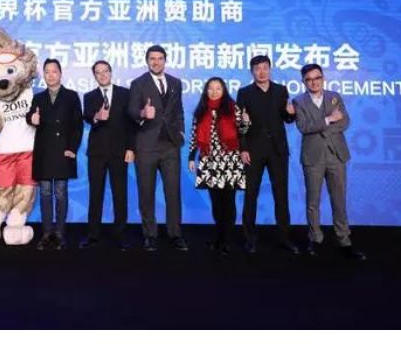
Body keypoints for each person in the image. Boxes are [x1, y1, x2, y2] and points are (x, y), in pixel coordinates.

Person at [292, 64, 366, 260]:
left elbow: (344, 121)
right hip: (313, 157)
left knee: (339, 201)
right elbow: (304, 127)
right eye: (309, 79)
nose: (314, 82)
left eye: (317, 77)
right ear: (303, 82)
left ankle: (344, 241)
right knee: (313, 202)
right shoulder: (298, 101)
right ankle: (315, 240)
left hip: (336, 155)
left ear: (323, 78)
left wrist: (324, 127)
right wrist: (328, 119)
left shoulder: (334, 97)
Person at [128, 45, 188, 252]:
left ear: (165, 60)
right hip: (146, 146)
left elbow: (179, 110)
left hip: (170, 145)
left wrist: (181, 131)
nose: (156, 62)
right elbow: (131, 111)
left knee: (173, 192)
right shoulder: (138, 84)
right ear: (147, 61)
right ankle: (150, 235)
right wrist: (143, 113)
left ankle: (175, 234)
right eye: (152, 58)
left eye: (160, 58)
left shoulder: (175, 83)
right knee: (146, 192)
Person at [236, 55, 299, 254]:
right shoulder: (244, 93)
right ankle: (250, 239)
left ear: (270, 69)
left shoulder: (281, 90)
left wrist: (291, 113)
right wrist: (243, 148)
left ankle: (285, 238)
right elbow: (240, 125)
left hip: (277, 150)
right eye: (257, 69)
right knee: (250, 195)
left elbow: (287, 119)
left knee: (281, 195)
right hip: (253, 150)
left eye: (265, 68)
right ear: (252, 71)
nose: (261, 72)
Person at [188, 77, 250, 255]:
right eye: (211, 88)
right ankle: (219, 237)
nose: (214, 92)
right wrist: (192, 158)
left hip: (229, 161)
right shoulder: (201, 111)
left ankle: (226, 240)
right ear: (206, 91)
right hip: (209, 161)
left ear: (224, 91)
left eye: (218, 88)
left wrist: (245, 122)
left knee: (228, 202)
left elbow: (242, 132)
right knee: (216, 203)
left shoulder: (232, 108)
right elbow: (195, 136)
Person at [26, 59, 83, 250]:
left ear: (60, 73)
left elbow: (77, 126)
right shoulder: (38, 98)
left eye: (54, 71)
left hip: (63, 151)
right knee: (45, 193)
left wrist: (72, 148)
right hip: (44, 151)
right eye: (47, 72)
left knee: (60, 193)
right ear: (44, 74)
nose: (50, 75)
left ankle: (59, 233)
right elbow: (30, 116)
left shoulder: (71, 96)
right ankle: (46, 233)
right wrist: (32, 118)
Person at [80, 60, 136, 250]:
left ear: (111, 72)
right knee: (95, 194)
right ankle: (93, 235)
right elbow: (88, 116)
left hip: (120, 152)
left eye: (105, 71)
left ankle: (120, 235)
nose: (102, 75)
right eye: (98, 72)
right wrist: (97, 116)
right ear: (94, 75)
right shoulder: (89, 96)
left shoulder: (125, 94)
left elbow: (131, 124)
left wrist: (131, 148)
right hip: (97, 152)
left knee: (120, 194)